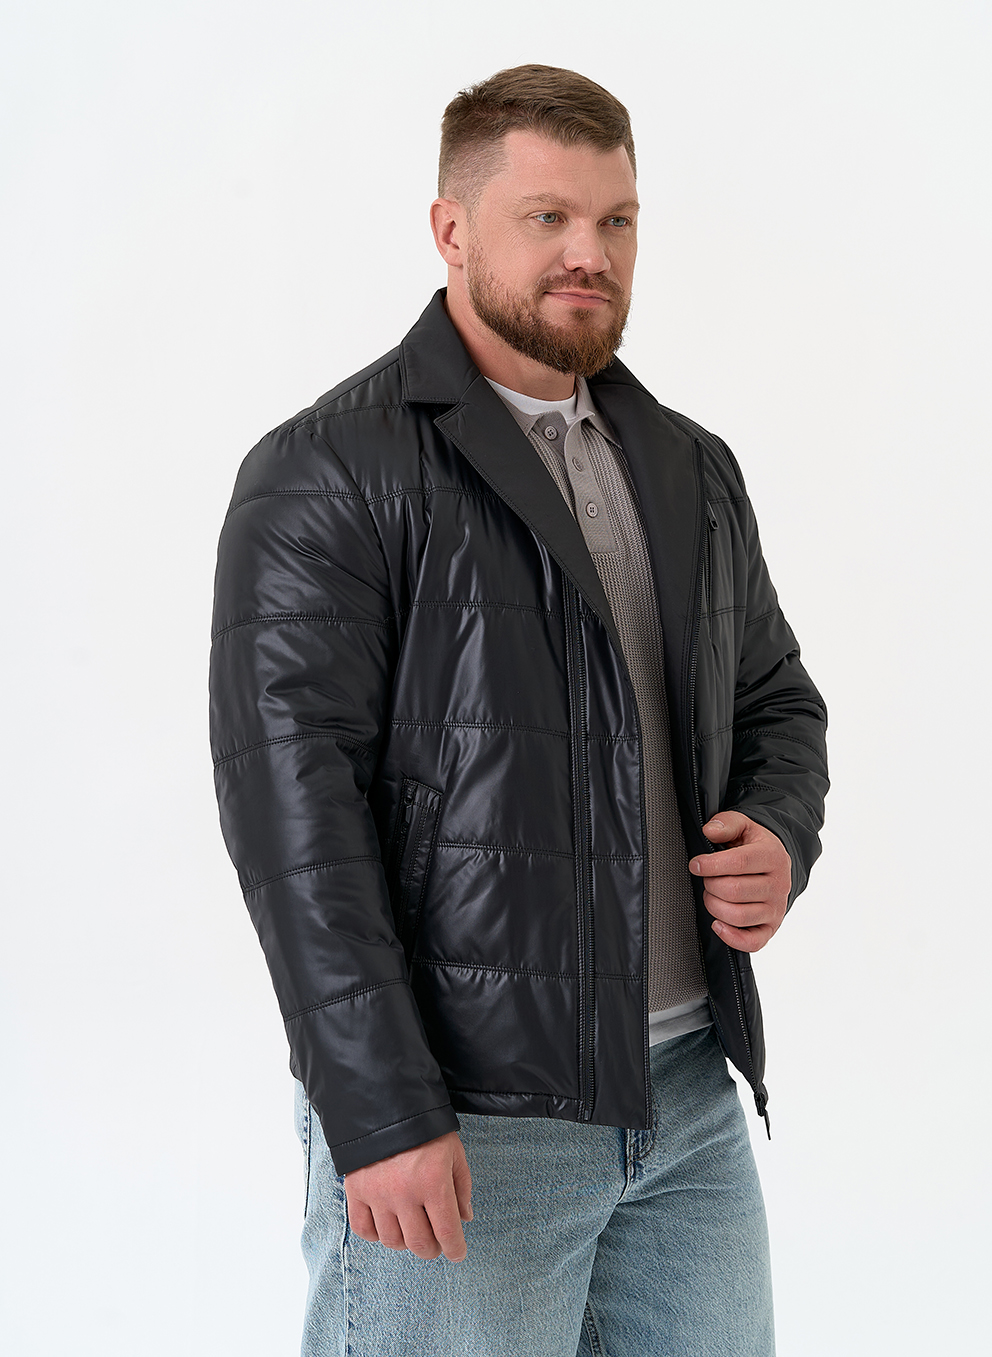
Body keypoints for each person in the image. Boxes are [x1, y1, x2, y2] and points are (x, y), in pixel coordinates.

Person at [209, 63, 828, 1357]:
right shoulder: (330, 470)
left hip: (685, 1100)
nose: (588, 253)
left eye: (616, 219)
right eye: (546, 217)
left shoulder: (688, 465)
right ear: (451, 229)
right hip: (466, 1111)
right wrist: (380, 1110)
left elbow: (776, 696)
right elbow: (294, 821)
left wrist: (777, 828)